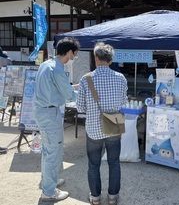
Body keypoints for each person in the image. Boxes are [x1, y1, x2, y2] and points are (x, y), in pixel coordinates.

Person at [76, 42, 128, 205]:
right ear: (111, 60)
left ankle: (95, 198)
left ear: (95, 57)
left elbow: (80, 107)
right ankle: (113, 197)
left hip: (93, 128)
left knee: (93, 165)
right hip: (114, 126)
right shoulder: (121, 78)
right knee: (114, 163)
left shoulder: (86, 79)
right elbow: (122, 102)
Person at [34, 37, 80, 202]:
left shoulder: (46, 65)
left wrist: (74, 86)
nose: (74, 57)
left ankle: (49, 180)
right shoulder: (58, 69)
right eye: (74, 54)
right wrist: (84, 93)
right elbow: (68, 95)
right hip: (50, 114)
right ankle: (49, 191)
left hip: (41, 111)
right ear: (69, 52)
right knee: (53, 151)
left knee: (48, 150)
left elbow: (59, 88)